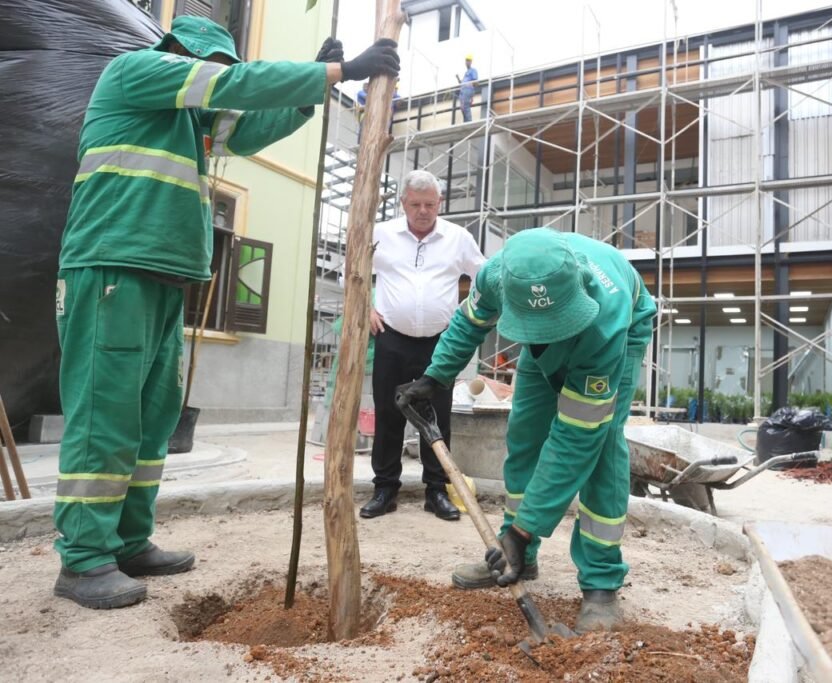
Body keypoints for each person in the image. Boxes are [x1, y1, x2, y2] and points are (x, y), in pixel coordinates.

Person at [52, 15, 399, 610]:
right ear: (183, 54)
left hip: (162, 276)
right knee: (105, 413)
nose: (221, 76)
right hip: (114, 266)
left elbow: (244, 131)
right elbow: (233, 87)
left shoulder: (187, 116)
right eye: (215, 65)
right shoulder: (137, 71)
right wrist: (336, 72)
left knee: (153, 416)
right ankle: (84, 556)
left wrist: (310, 95)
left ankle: (129, 541)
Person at [397, 227, 656, 632]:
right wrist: (435, 376)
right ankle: (519, 554)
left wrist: (525, 526)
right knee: (525, 435)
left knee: (602, 448)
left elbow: (575, 440)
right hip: (540, 335)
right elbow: (470, 321)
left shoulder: (607, 320)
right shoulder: (498, 274)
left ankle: (601, 582)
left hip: (612, 332)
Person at [360, 170, 486, 521]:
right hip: (391, 338)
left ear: (440, 203)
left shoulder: (458, 237)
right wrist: (364, 307)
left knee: (437, 417)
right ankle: (385, 488)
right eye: (415, 204)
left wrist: (468, 316)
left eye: (430, 204)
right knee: (387, 415)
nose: (423, 211)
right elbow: (351, 271)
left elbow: (486, 276)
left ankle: (436, 491)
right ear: (403, 203)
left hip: (440, 343)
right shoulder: (381, 234)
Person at [456, 54, 478, 122]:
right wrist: (458, 79)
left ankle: (469, 122)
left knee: (465, 106)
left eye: (469, 60)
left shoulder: (473, 70)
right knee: (462, 107)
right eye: (466, 60)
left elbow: (475, 81)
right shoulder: (466, 73)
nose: (467, 62)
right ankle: (466, 122)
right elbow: (462, 83)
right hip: (463, 91)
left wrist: (471, 93)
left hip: (467, 89)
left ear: (471, 62)